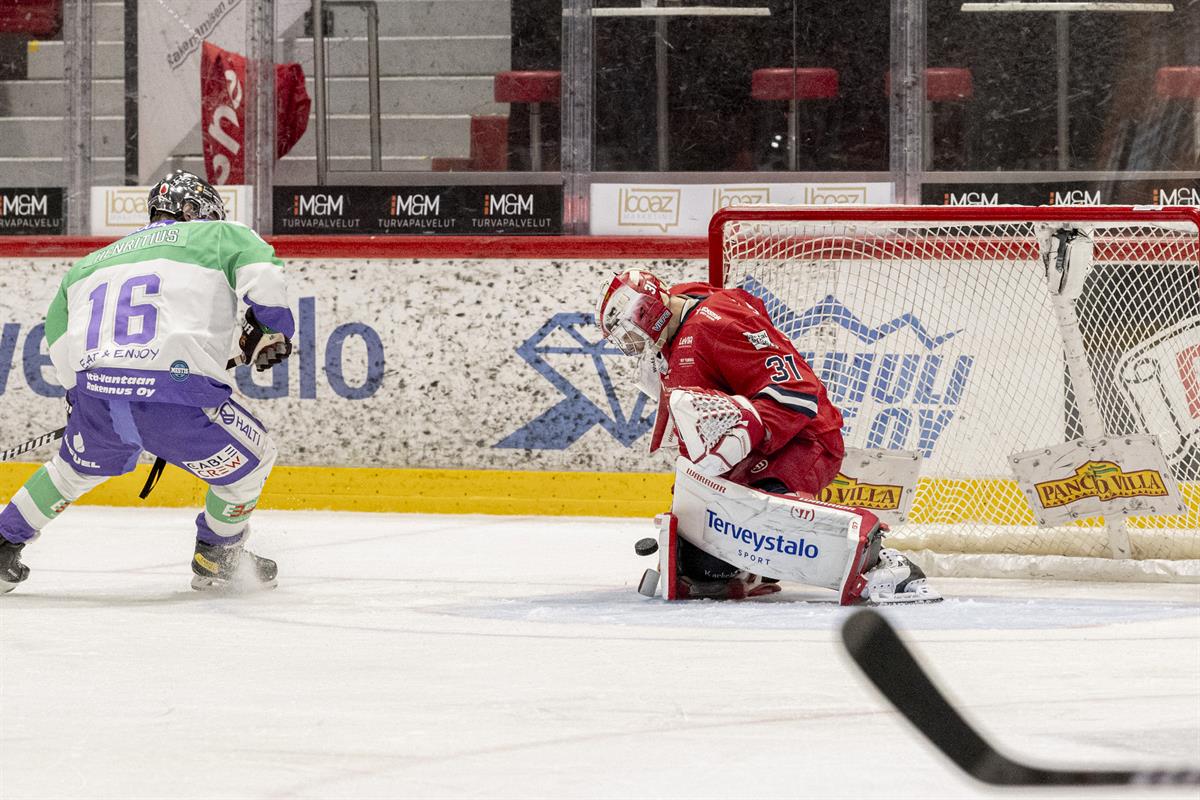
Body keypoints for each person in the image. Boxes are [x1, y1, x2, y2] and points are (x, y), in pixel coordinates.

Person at [0, 171, 294, 594]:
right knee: (256, 457)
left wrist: (78, 399)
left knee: (69, 471)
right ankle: (218, 554)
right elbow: (264, 276)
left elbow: (59, 337)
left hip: (98, 394)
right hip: (176, 400)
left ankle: (2, 544)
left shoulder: (89, 263)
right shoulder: (221, 235)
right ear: (194, 210)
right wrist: (269, 325)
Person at [597, 268, 939, 603]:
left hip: (803, 441)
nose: (632, 345)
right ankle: (753, 568)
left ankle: (880, 559)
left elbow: (797, 392)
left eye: (631, 332)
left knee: (768, 519)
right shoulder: (671, 334)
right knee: (702, 566)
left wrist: (745, 433)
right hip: (754, 453)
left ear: (649, 309)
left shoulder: (716, 323)